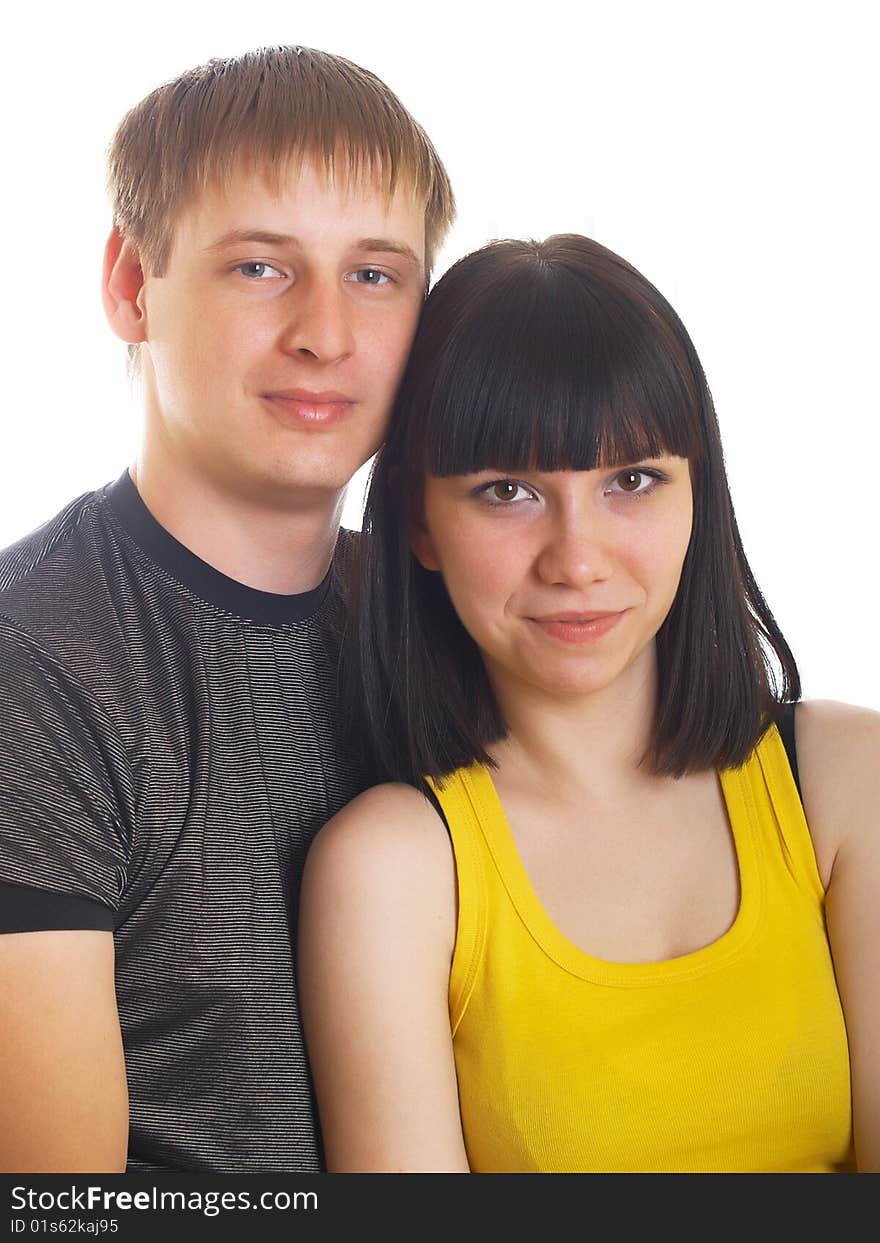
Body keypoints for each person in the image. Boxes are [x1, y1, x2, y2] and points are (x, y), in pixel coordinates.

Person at [298, 234, 880, 1173]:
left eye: (632, 481)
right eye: (508, 491)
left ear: (701, 495)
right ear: (419, 523)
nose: (577, 559)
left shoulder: (846, 783)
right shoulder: (394, 871)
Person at [0, 44, 454, 1173]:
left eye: (376, 274)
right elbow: (60, 1208)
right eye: (260, 267)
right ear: (127, 283)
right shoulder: (33, 668)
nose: (325, 333)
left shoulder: (458, 614)